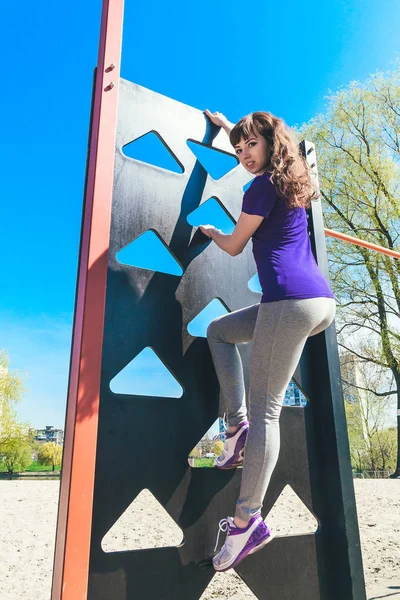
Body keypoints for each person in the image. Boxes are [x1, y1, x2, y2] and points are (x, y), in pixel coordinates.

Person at [199, 109, 336, 572]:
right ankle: (235, 430)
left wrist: (211, 230)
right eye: (238, 149)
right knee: (219, 332)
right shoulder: (291, 180)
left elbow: (236, 245)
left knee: (267, 411)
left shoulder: (260, 187)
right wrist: (227, 130)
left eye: (250, 146)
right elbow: (260, 146)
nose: (243, 155)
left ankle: (246, 522)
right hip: (313, 301)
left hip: (290, 302)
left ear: (271, 145)